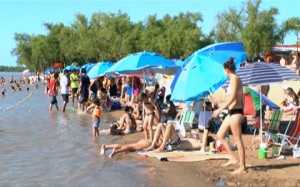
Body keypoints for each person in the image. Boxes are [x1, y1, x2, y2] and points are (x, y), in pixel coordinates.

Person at [212, 57, 246, 174]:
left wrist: (219, 110)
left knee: (238, 140)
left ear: (227, 70)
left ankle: (242, 167)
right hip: (231, 112)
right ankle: (233, 158)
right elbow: (237, 97)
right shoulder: (232, 80)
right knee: (220, 135)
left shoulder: (235, 79)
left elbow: (233, 98)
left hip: (236, 112)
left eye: (223, 70)